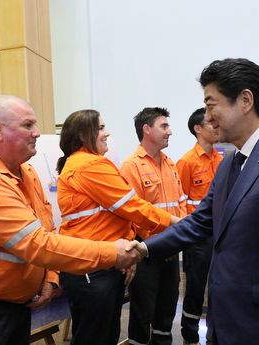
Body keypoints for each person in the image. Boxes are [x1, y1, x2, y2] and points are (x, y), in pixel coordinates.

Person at [128, 58, 259, 345]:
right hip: (223, 323)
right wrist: (144, 248)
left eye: (212, 106)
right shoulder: (228, 163)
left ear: (245, 100)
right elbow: (200, 222)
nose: (207, 117)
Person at [0, 95, 140, 345]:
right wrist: (113, 253)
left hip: (13, 305)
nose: (38, 133)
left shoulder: (26, 172)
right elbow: (37, 244)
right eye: (28, 125)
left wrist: (50, 278)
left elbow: (46, 230)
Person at [56, 110, 180, 345]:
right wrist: (176, 222)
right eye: (101, 128)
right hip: (92, 269)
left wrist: (126, 258)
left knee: (103, 334)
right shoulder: (90, 165)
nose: (107, 133)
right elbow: (131, 207)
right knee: (95, 337)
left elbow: (116, 216)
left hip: (101, 264)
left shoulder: (86, 163)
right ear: (84, 135)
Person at [120, 107, 187, 345]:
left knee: (167, 311)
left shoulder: (170, 163)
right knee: (142, 313)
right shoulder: (132, 165)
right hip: (145, 251)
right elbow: (130, 212)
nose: (170, 131)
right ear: (147, 129)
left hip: (171, 248)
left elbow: (180, 203)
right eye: (164, 126)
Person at [176, 107, 222, 345]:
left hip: (220, 234)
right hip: (197, 237)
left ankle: (215, 332)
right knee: (195, 289)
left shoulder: (221, 159)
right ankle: (189, 336)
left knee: (218, 284)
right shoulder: (186, 162)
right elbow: (180, 201)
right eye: (210, 123)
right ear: (198, 129)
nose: (215, 126)